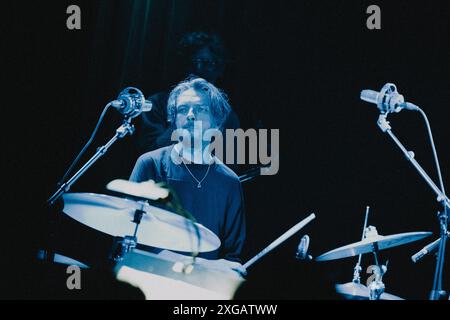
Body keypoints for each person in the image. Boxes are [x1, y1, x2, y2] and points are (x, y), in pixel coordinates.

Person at [130, 77, 246, 276]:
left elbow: (231, 259)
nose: (190, 115)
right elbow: (129, 239)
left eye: (200, 109)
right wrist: (202, 264)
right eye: (183, 110)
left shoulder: (230, 182)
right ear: (174, 120)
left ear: (217, 122)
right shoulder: (150, 164)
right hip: (149, 279)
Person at [136, 31, 240, 158]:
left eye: (210, 64)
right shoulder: (155, 104)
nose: (200, 69)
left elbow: (229, 166)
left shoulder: (227, 115)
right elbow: (150, 154)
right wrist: (181, 120)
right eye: (197, 62)